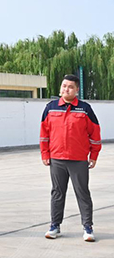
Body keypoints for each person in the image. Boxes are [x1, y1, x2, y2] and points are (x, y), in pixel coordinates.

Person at [40, 74, 102, 242]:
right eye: (64, 86)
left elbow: (95, 133)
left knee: (82, 193)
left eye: (70, 87)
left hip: (78, 159)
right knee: (57, 193)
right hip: (57, 158)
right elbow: (44, 133)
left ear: (76, 90)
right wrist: (45, 154)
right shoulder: (50, 108)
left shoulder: (85, 109)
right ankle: (55, 225)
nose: (66, 89)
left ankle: (88, 227)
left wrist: (94, 155)